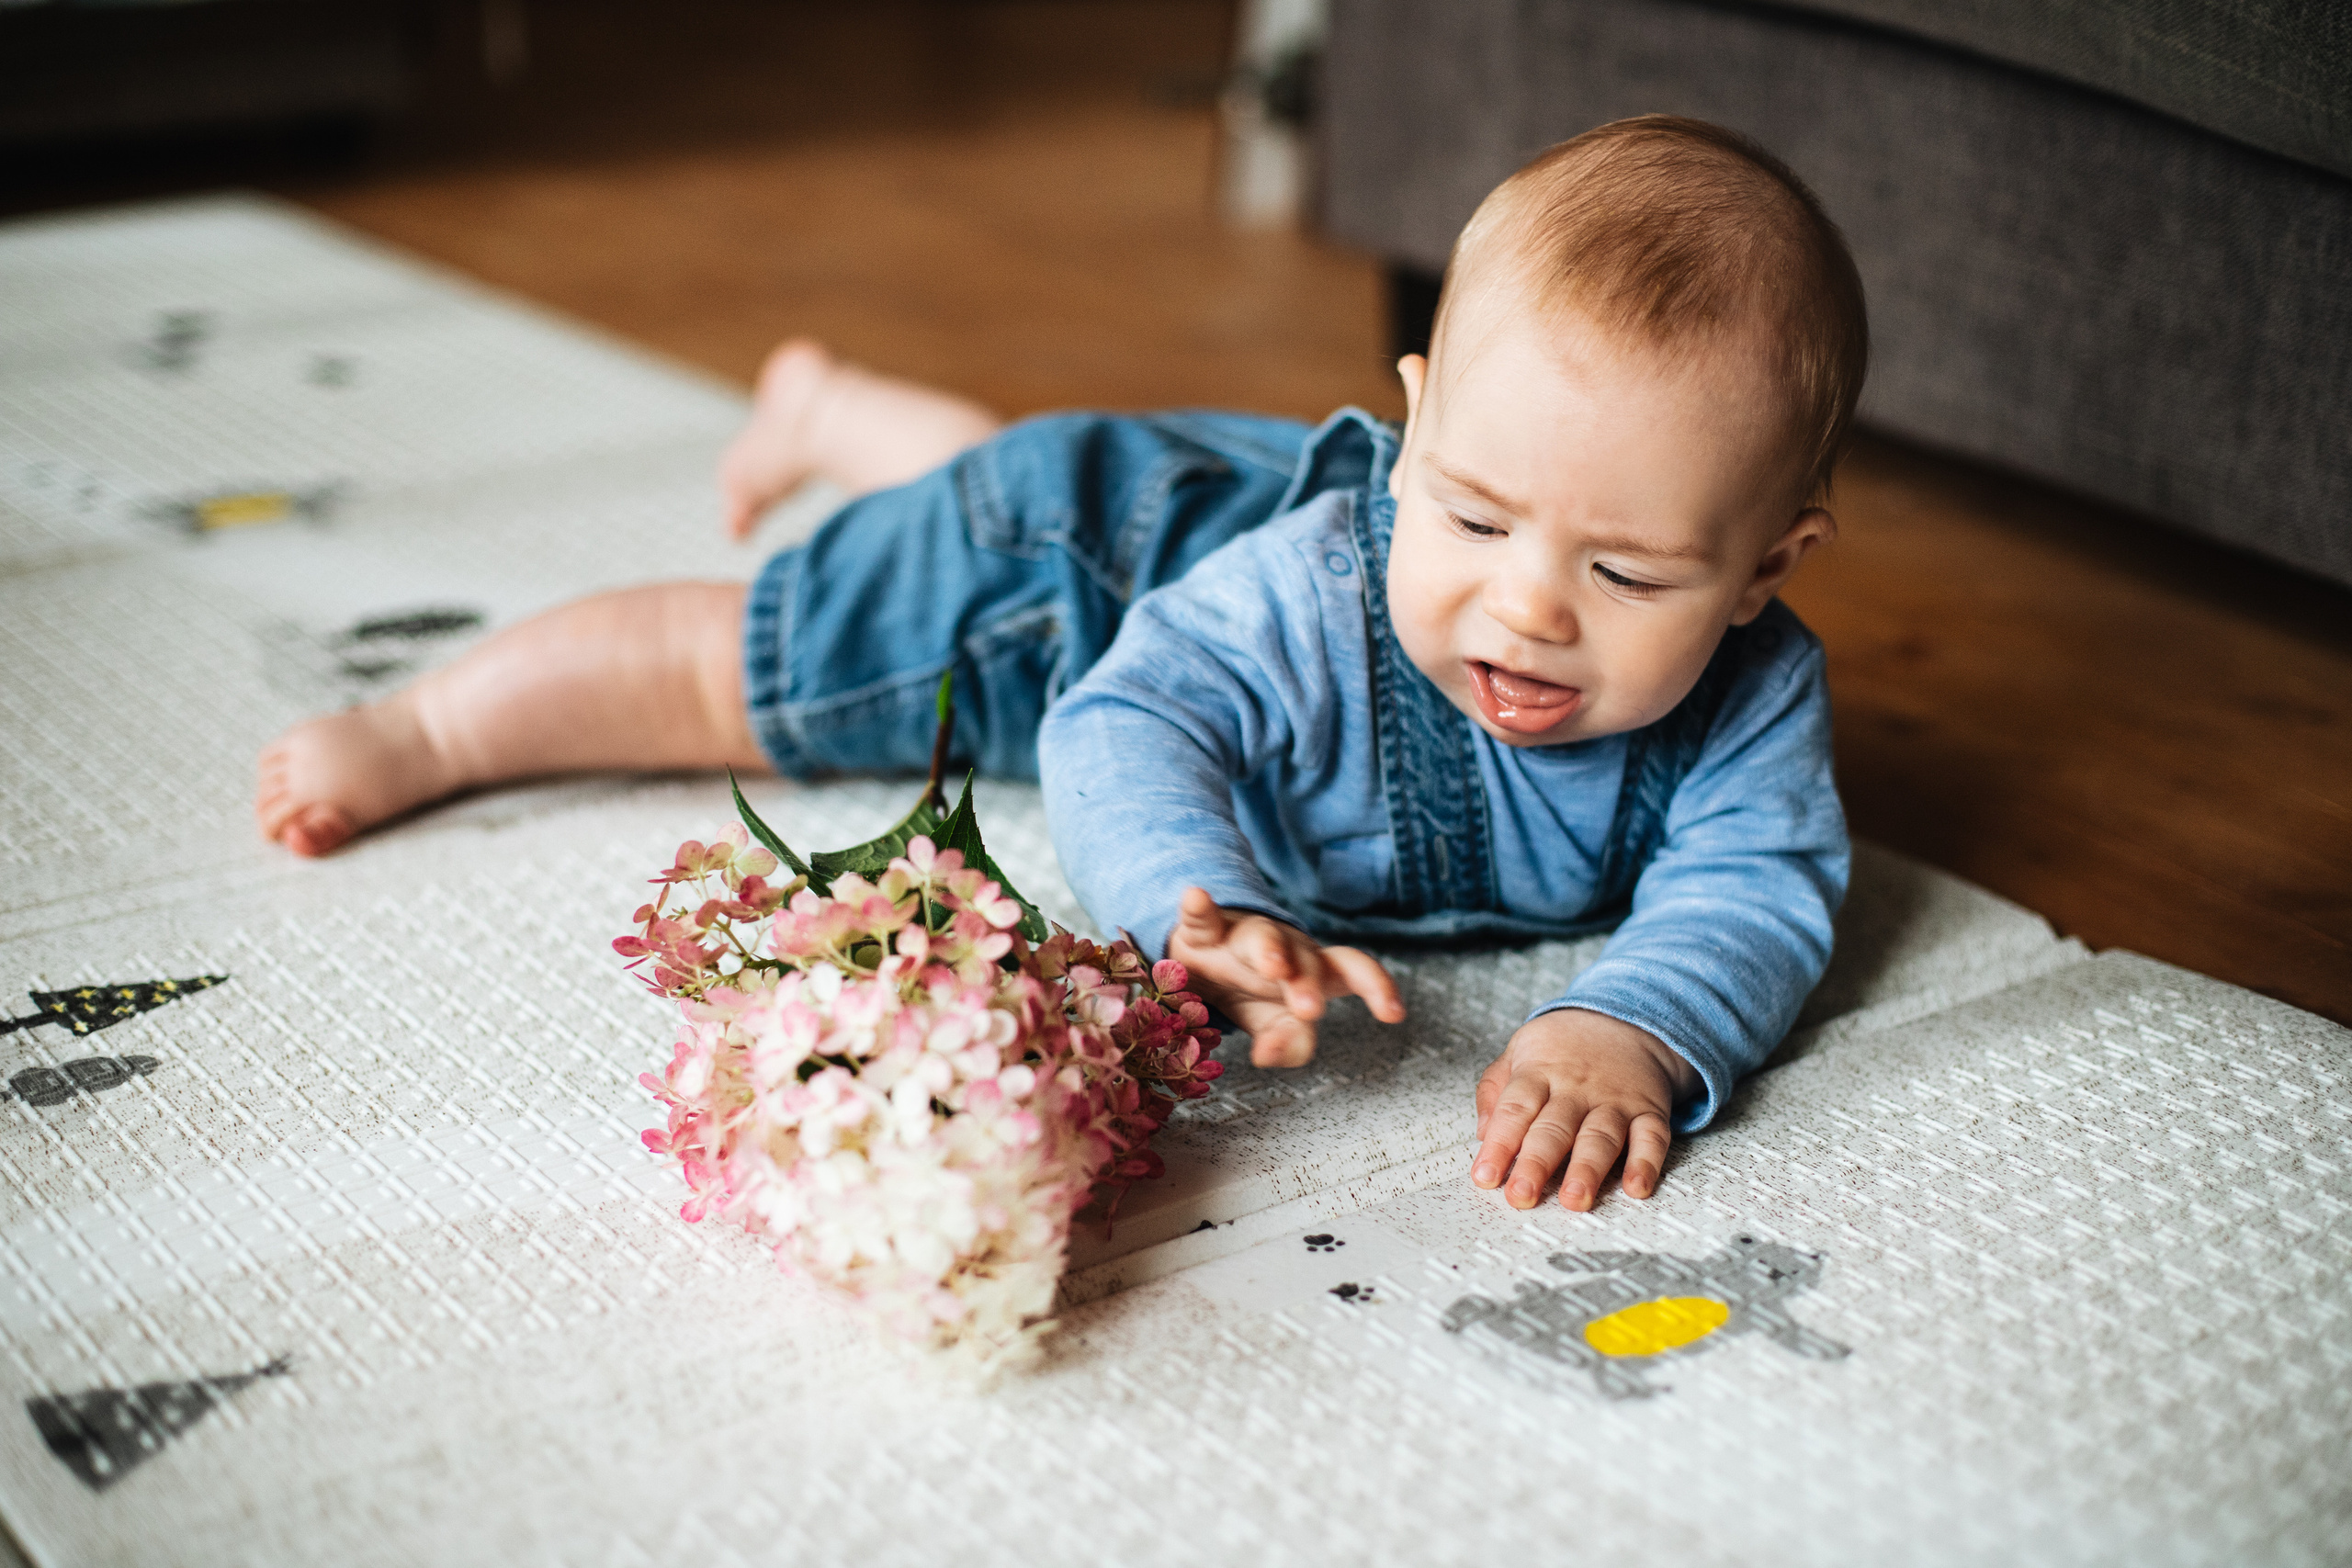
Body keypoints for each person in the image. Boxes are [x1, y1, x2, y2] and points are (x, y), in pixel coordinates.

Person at [256, 115, 1866, 1216]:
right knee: (748, 676)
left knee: (967, 484)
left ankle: (832, 412)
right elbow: (1127, 717)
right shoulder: (1315, 592)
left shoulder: (1755, 703)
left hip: (1165, 527)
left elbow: (1757, 888)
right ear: (1415, 423)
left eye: (1625, 570)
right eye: (1469, 513)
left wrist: (1631, 1031)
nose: (1526, 610)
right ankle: (432, 723)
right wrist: (1201, 905)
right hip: (1070, 581)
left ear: (1765, 570)